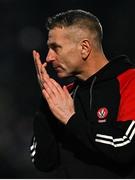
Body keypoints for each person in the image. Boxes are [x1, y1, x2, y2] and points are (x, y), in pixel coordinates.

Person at [30, 9, 135, 178]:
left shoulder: (130, 81)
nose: (48, 58)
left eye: (56, 48)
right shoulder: (64, 96)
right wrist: (46, 101)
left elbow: (125, 147)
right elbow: (43, 162)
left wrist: (71, 120)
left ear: (85, 48)